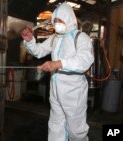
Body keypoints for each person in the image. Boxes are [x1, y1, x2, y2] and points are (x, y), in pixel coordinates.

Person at [20, 3, 94, 141]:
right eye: (55, 21)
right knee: (55, 126)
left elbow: (85, 60)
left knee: (76, 131)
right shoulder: (55, 38)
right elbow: (40, 51)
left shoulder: (80, 37)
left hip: (74, 92)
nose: (57, 24)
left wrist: (58, 63)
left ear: (69, 19)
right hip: (55, 91)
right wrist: (30, 41)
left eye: (60, 20)